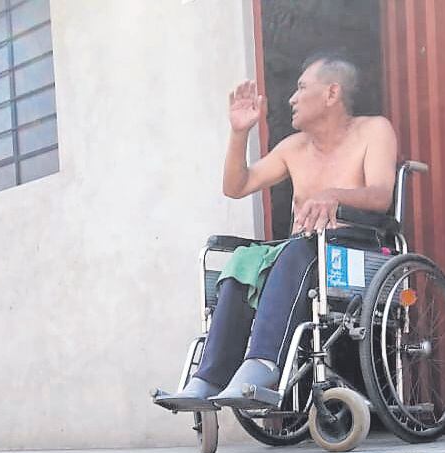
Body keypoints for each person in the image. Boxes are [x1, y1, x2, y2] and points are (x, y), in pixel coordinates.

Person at [156, 52, 399, 411]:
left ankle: (263, 365)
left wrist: (333, 195)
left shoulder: (373, 130)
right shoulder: (293, 148)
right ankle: (208, 378)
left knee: (295, 252)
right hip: (300, 253)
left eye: (302, 88)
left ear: (331, 93)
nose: (291, 98)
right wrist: (240, 133)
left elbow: (380, 196)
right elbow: (236, 186)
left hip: (352, 253)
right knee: (243, 260)